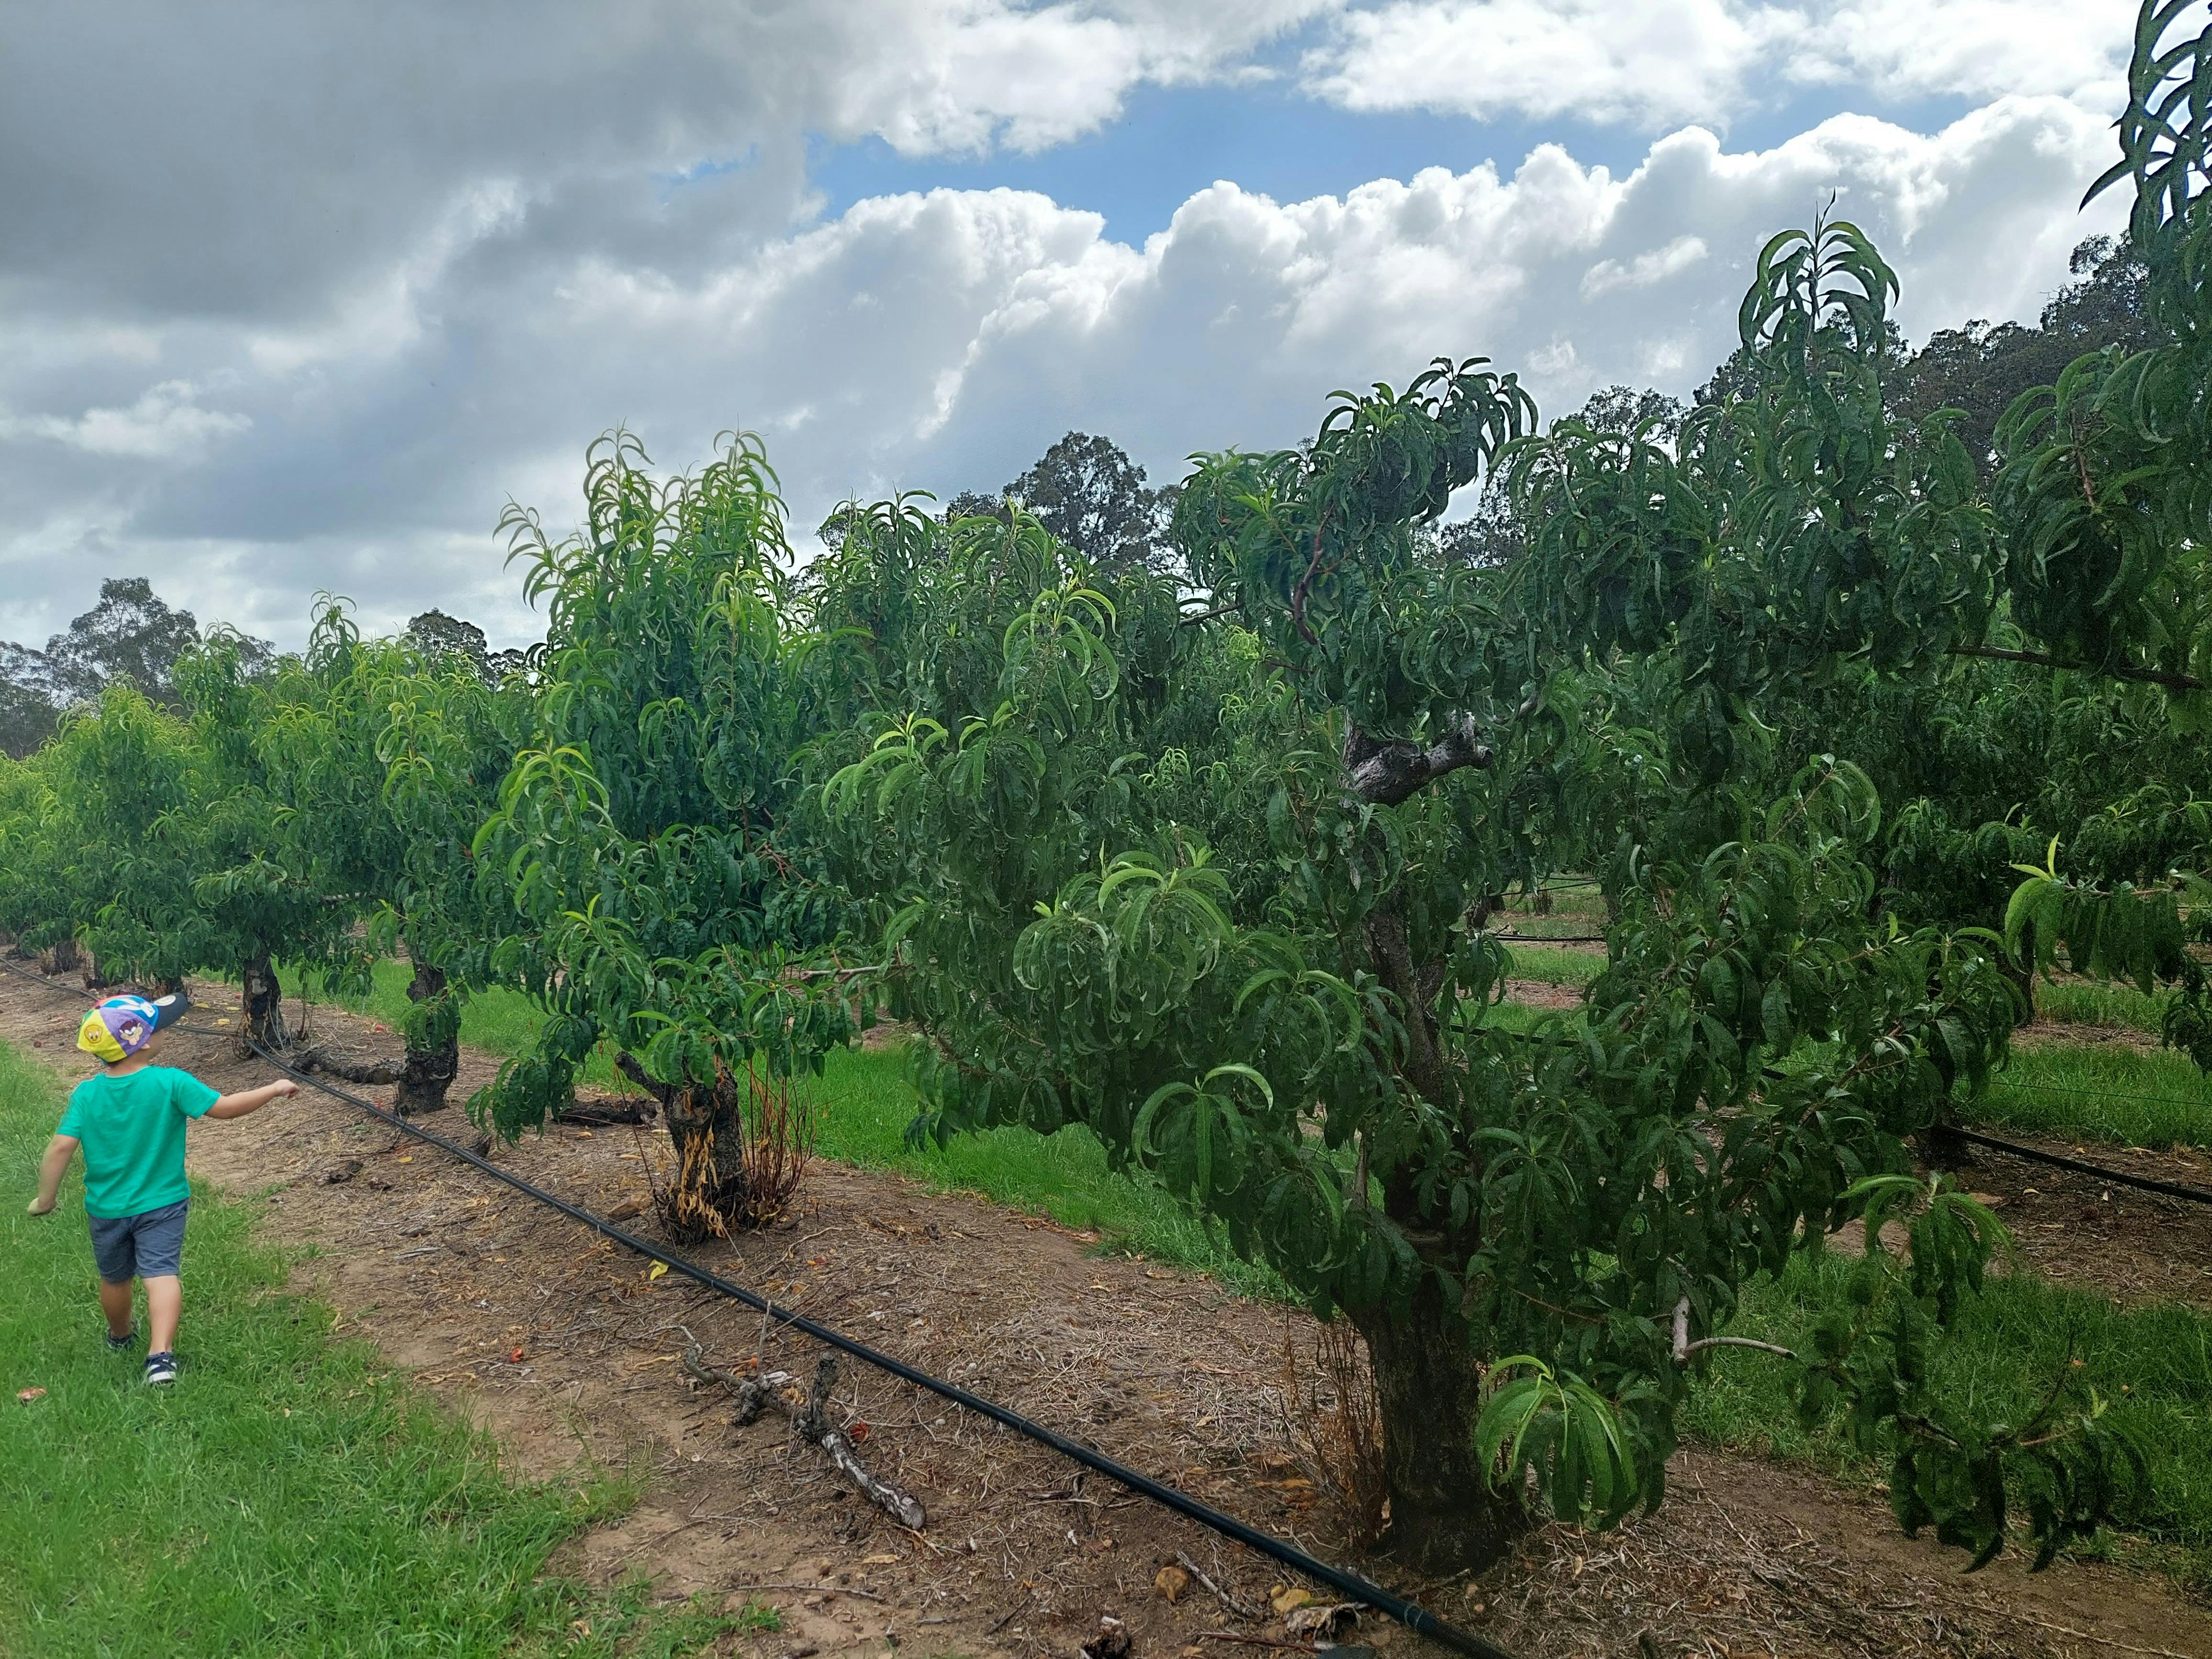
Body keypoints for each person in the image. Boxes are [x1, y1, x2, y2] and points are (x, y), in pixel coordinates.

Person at [25, 992, 298, 1386]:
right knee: (161, 1274)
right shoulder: (170, 1082)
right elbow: (225, 1108)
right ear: (144, 1042)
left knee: (115, 1278)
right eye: (160, 1026)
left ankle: (120, 1336)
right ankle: (160, 1357)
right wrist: (272, 1089)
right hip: (163, 1203)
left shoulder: (87, 1094)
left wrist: (46, 1199)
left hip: (107, 1207)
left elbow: (62, 1146)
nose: (165, 1030)